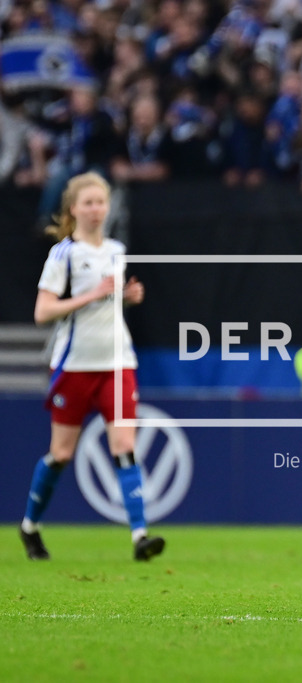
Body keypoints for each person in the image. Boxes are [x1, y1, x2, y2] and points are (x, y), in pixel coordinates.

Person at [18, 172, 165, 562]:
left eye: (101, 202)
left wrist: (127, 298)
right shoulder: (63, 255)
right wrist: (92, 295)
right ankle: (30, 525)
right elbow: (43, 312)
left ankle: (139, 536)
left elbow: (109, 304)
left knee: (125, 446)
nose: (97, 209)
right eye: (89, 203)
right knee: (62, 453)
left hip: (117, 361)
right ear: (73, 209)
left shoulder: (116, 250)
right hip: (75, 365)